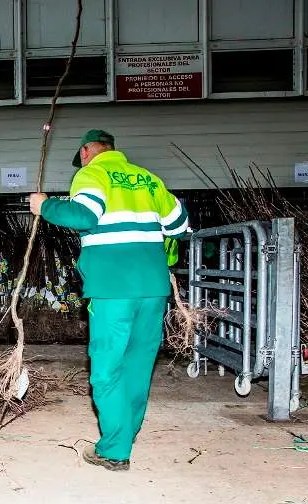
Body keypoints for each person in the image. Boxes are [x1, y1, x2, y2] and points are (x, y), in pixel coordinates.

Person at [28, 129, 189, 471]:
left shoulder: (93, 173)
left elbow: (84, 216)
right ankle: (125, 435)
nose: (81, 160)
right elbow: (179, 225)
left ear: (87, 150)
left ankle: (114, 451)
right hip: (153, 287)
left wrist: (44, 206)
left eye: (81, 155)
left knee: (106, 369)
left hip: (114, 288)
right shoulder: (148, 179)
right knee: (138, 366)